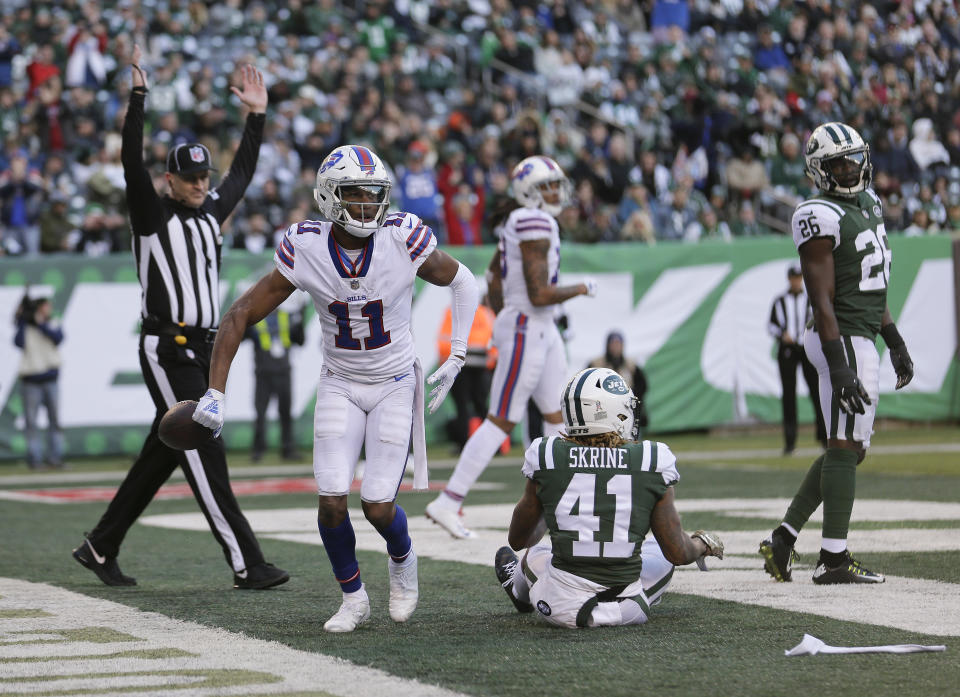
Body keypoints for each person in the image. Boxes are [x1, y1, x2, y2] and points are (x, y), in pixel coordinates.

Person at [192, 144, 480, 633]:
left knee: (377, 505)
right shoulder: (305, 246)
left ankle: (403, 561)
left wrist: (457, 352)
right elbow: (239, 314)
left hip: (391, 383)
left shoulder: (402, 237)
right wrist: (214, 393)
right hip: (340, 383)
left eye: (375, 195)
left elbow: (464, 280)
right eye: (356, 195)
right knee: (330, 498)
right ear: (329, 197)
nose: (368, 205)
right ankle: (353, 597)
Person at [72, 45, 288, 591]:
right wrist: (138, 99)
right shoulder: (152, 214)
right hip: (168, 347)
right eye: (188, 178)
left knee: (163, 450)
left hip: (204, 346)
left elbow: (241, 171)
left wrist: (256, 116)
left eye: (201, 177)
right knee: (202, 441)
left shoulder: (211, 212)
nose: (198, 184)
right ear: (169, 179)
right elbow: (128, 162)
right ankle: (247, 562)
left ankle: (100, 545)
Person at [759, 122, 915, 585]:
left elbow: (872, 282)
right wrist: (842, 363)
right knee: (845, 446)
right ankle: (833, 558)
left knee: (849, 448)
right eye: (839, 164)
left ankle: (785, 539)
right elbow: (822, 299)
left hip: (861, 330)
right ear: (819, 171)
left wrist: (896, 338)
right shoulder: (817, 214)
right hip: (841, 332)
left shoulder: (870, 203)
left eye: (854, 159)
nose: (850, 170)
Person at [425, 155, 597, 539]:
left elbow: (492, 278)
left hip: (537, 328)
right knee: (501, 419)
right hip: (529, 325)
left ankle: (560, 507)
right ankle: (448, 501)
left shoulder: (520, 221)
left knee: (559, 419)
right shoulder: (533, 221)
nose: (556, 191)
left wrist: (507, 319)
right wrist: (580, 288)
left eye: (556, 184)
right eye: (548, 185)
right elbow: (538, 294)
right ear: (530, 192)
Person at [493, 367, 725, 628]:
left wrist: (552, 498)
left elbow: (518, 539)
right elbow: (678, 553)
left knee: (533, 553)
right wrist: (701, 544)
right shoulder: (653, 459)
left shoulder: (546, 454)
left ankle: (518, 590)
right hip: (626, 607)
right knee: (660, 553)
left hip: (559, 606)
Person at [768, 266, 827, 454]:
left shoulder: (810, 299)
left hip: (806, 348)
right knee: (788, 395)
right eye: (793, 277)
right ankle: (790, 441)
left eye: (798, 277)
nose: (796, 281)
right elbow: (771, 325)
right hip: (787, 349)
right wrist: (782, 334)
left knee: (817, 392)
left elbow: (819, 320)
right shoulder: (779, 301)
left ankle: (824, 437)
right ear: (788, 279)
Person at [245, 300, 306, 461]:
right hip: (263, 373)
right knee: (260, 413)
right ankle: (258, 450)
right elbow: (243, 336)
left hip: (283, 372)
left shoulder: (287, 318)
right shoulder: (256, 320)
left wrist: (301, 318)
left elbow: (299, 340)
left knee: (285, 413)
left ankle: (288, 449)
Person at [436, 293, 497, 450]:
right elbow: (495, 339)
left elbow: (443, 342)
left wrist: (446, 362)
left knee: (463, 406)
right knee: (482, 406)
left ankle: (464, 444)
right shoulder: (485, 313)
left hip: (459, 366)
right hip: (482, 366)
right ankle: (492, 445)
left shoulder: (452, 312)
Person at [14, 292, 65, 470]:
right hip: (31, 379)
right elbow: (18, 342)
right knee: (31, 422)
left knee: (55, 420)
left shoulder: (51, 322)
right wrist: (22, 318)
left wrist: (40, 323)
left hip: (51, 378)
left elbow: (58, 338)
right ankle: (34, 459)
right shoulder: (26, 326)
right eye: (46, 306)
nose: (49, 309)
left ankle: (55, 457)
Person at [587, 331, 649, 436]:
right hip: (604, 411)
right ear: (608, 345)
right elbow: (587, 385)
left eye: (618, 344)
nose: (616, 347)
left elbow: (642, 386)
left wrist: (631, 400)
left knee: (630, 439)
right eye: (613, 344)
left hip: (627, 411)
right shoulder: (596, 364)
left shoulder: (631, 365)